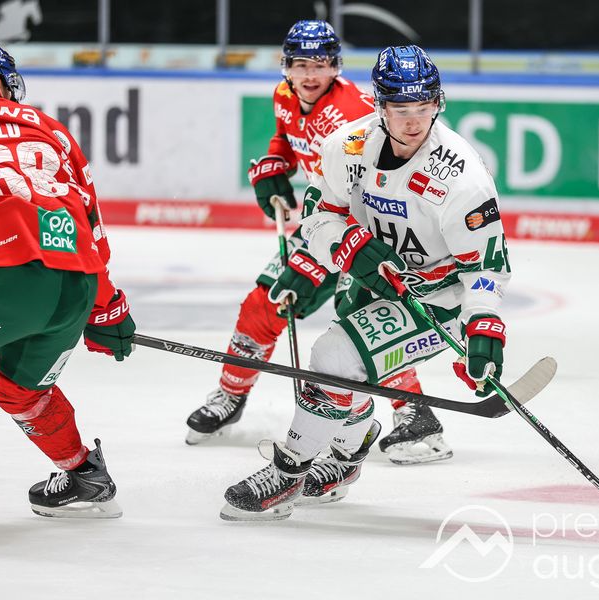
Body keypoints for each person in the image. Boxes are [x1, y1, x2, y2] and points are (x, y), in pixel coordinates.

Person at [220, 45, 511, 521]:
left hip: (438, 296)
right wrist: (347, 245)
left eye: (424, 108)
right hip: (374, 285)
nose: (414, 122)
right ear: (380, 105)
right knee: (349, 374)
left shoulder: (462, 176)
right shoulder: (347, 146)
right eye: (401, 109)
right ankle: (343, 461)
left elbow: (486, 264)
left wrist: (482, 325)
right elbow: (318, 217)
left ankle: (288, 472)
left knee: (332, 358)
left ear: (438, 103)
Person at [186, 20, 452, 467]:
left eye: (321, 64)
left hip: (365, 229)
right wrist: (275, 163)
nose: (311, 74)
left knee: (361, 320)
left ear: (336, 66)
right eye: (301, 64)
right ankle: (231, 395)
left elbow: (375, 183)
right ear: (286, 67)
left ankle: (415, 414)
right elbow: (287, 139)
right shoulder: (285, 96)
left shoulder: (350, 111)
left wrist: (327, 252)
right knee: (266, 303)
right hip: (322, 223)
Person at [0, 37, 136, 518]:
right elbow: (90, 230)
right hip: (77, 287)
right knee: (12, 385)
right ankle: (83, 474)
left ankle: (83, 473)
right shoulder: (52, 129)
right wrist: (106, 307)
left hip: (4, 283)